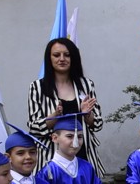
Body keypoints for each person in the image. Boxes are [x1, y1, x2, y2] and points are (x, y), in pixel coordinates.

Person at [27, 37, 105, 174]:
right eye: (56, 55)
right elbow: (34, 128)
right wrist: (54, 116)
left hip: (83, 154)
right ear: (49, 59)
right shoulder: (37, 87)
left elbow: (98, 124)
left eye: (67, 55)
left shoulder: (86, 85)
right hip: (51, 157)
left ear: (73, 58)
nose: (62, 59)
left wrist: (88, 115)